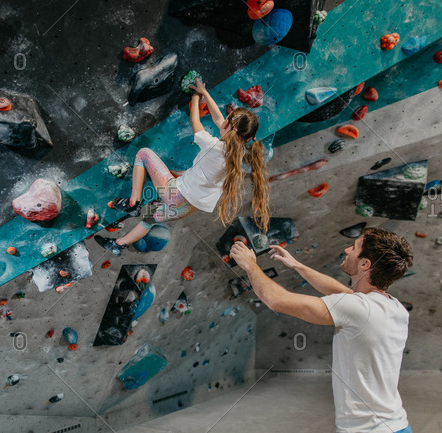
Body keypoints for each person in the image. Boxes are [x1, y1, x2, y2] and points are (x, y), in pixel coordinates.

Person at [230, 227, 414, 433]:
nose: (346, 250)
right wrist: (297, 265)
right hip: (397, 425)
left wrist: (250, 265)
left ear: (365, 263)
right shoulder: (393, 306)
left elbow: (276, 300)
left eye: (353, 248)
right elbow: (340, 291)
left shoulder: (359, 309)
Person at [95, 78, 270, 256]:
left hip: (176, 194)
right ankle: (117, 245)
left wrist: (195, 98)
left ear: (228, 125)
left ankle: (132, 203)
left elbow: (196, 122)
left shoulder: (212, 145)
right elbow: (219, 119)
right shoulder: (239, 155)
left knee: (143, 154)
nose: (222, 121)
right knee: (149, 218)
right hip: (188, 208)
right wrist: (205, 93)